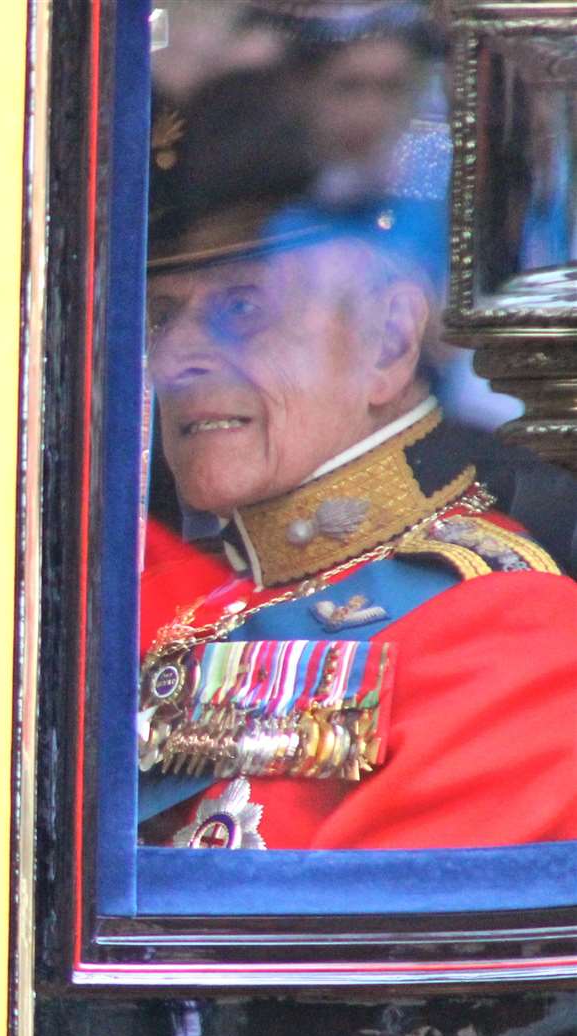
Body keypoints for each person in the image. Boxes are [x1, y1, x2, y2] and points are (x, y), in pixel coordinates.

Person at [136, 177, 577, 849]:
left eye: (244, 306)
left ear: (390, 340)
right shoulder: (150, 593)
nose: (174, 359)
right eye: (160, 319)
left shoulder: (515, 633)